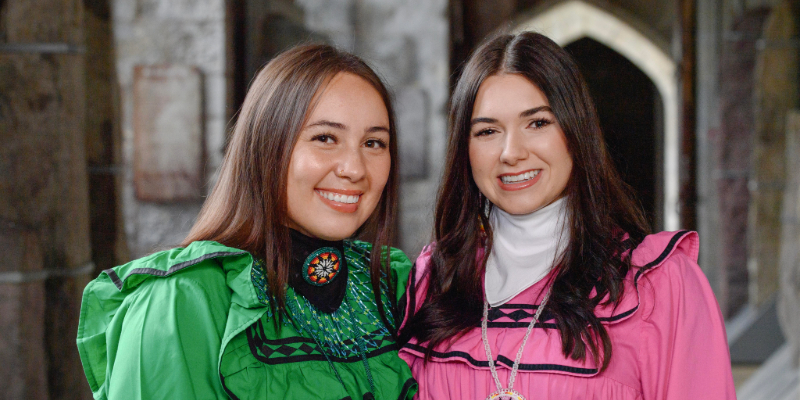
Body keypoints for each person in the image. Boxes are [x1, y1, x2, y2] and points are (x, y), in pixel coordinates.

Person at [398, 32, 736, 400]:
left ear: (576, 131)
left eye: (538, 123)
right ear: (465, 148)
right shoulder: (432, 281)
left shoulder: (658, 286)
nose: (511, 152)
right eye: (488, 131)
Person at [77, 44, 417, 400]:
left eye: (374, 143)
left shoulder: (395, 285)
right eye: (325, 138)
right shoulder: (180, 299)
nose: (355, 169)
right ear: (267, 145)